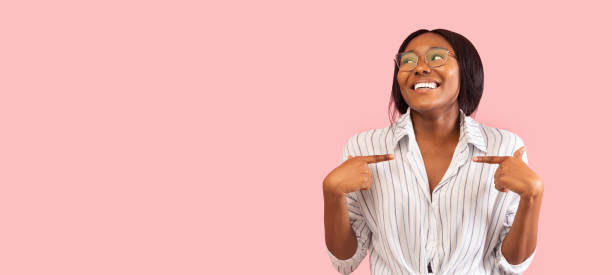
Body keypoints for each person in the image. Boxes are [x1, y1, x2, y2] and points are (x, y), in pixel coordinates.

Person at [322, 29, 543, 275]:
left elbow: (512, 264)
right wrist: (332, 194)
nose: (420, 68)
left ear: (466, 70)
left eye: (437, 57)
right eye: (408, 61)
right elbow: (346, 260)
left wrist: (532, 197)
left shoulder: (504, 148)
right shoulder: (363, 149)